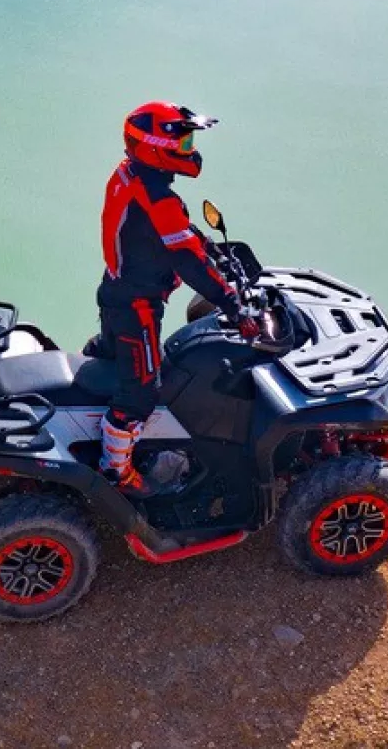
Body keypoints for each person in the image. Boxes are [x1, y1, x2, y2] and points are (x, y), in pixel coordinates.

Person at [90, 101, 255, 495]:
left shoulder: (131, 174)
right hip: (138, 307)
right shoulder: (158, 197)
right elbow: (188, 264)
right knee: (142, 392)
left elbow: (174, 232)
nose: (189, 150)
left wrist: (205, 244)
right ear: (153, 148)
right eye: (181, 144)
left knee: (114, 353)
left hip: (117, 289)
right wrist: (233, 303)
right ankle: (115, 471)